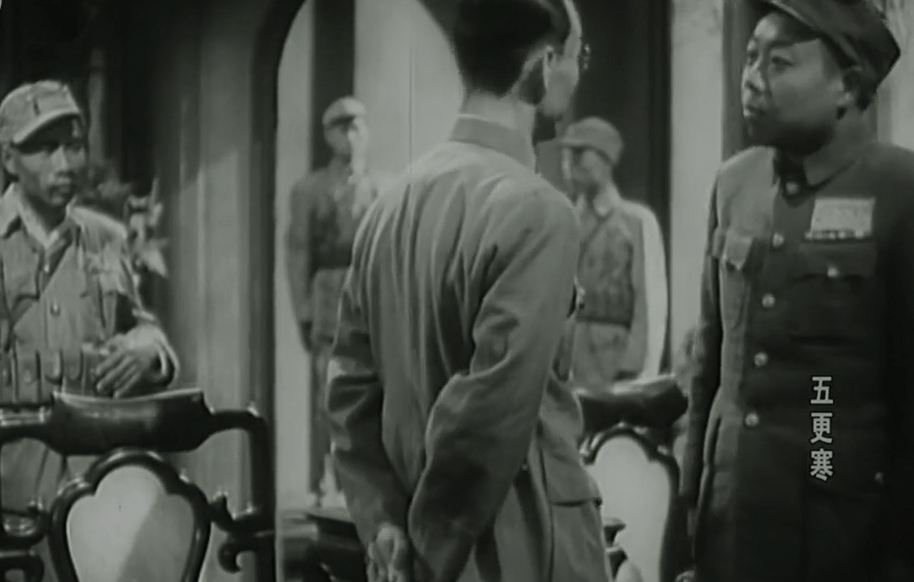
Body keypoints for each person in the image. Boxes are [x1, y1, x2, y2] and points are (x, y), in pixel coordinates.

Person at [325, 0, 611, 581]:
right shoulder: (539, 212)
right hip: (514, 546)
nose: (578, 73)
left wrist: (385, 526)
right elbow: (489, 413)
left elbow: (350, 390)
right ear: (544, 65)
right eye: (577, 57)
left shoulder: (389, 206)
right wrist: (430, 553)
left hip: (411, 547)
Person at [680, 1, 914, 581]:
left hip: (839, 529)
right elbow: (709, 368)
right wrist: (689, 507)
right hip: (730, 525)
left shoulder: (899, 192)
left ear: (847, 87)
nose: (752, 78)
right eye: (750, 58)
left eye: (779, 63)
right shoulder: (735, 185)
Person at [0, 80, 179, 580]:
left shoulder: (106, 239)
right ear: (9, 159)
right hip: (13, 491)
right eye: (45, 148)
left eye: (74, 146)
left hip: (102, 486)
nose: (64, 164)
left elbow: (141, 326)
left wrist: (149, 351)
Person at [284, 96, 389, 503]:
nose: (351, 136)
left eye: (358, 127)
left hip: (372, 298)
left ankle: (366, 485)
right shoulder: (309, 190)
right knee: (328, 394)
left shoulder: (385, 187)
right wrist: (304, 312)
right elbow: (298, 253)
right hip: (329, 298)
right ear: (328, 136)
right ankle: (323, 483)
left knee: (374, 392)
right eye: (342, 129)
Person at [560, 117, 668, 389]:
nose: (572, 163)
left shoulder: (636, 222)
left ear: (606, 159)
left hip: (617, 366)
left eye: (581, 153)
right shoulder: (564, 221)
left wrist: (642, 374)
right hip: (569, 368)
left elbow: (650, 304)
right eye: (568, 154)